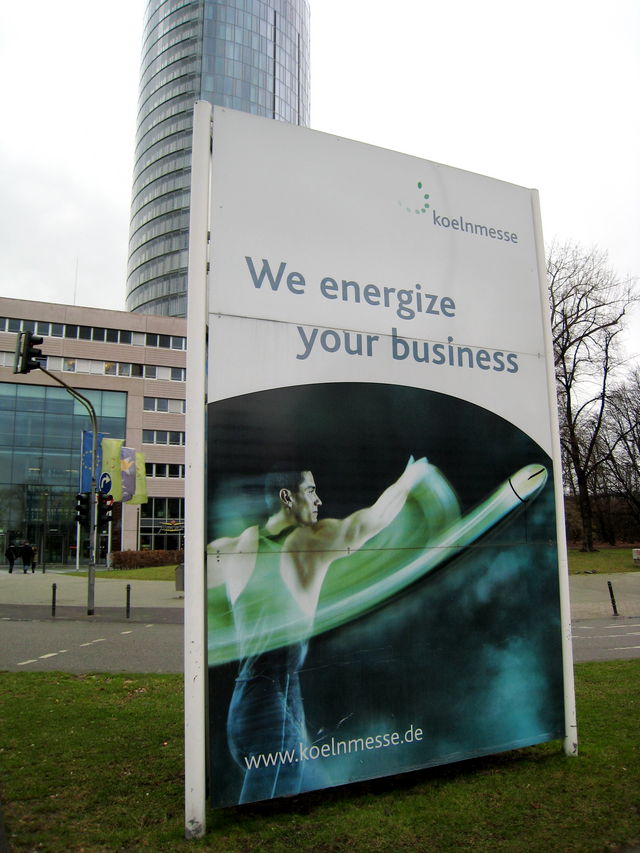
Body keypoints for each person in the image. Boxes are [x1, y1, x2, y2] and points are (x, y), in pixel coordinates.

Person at [207, 458, 430, 803]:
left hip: (257, 703)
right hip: (267, 707)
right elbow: (371, 521)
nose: (318, 500)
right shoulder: (305, 543)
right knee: (267, 804)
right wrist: (411, 478)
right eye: (311, 490)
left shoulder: (232, 547)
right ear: (287, 496)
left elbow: (204, 589)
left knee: (311, 785)